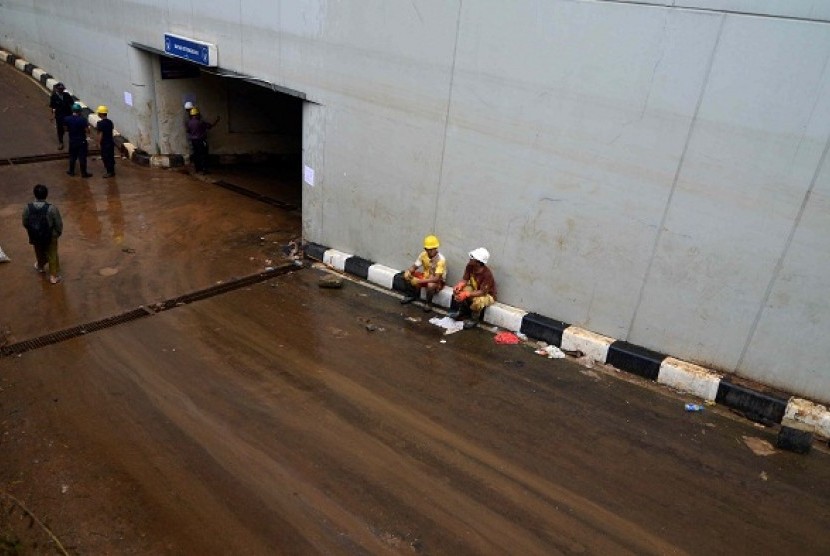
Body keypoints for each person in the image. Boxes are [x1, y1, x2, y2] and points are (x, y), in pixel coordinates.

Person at [22, 184, 63, 284]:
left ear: (34, 194)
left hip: (35, 235)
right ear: (46, 195)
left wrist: (32, 231)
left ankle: (40, 266)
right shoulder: (52, 208)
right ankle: (53, 276)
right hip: (50, 235)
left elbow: (25, 222)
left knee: (38, 250)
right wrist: (56, 234)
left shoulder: (28, 208)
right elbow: (58, 224)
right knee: (52, 254)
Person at [451, 247, 497, 329]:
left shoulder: (487, 274)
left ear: (478, 262)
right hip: (475, 289)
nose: (470, 259)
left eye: (473, 258)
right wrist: (460, 285)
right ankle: (462, 313)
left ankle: (474, 319)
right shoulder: (469, 266)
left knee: (478, 301)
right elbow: (465, 279)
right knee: (459, 292)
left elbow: (483, 292)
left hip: (487, 294)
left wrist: (466, 294)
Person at [400, 234, 446, 313]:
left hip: (437, 281)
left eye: (432, 249)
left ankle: (428, 303)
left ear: (436, 248)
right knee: (406, 275)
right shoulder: (423, 255)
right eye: (428, 249)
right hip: (425, 276)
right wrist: (408, 272)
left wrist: (418, 281)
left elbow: (437, 278)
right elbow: (414, 267)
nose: (430, 251)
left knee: (430, 285)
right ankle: (411, 295)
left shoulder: (441, 260)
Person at [186, 107, 220, 174]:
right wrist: (217, 121)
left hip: (193, 141)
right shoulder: (200, 122)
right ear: (197, 114)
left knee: (196, 154)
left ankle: (198, 169)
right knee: (204, 154)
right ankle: (204, 169)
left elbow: (188, 131)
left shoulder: (189, 123)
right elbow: (210, 126)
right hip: (201, 140)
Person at [64, 103, 92, 177]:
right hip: (81, 141)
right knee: (82, 157)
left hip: (72, 140)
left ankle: (71, 171)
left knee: (72, 157)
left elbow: (66, 129)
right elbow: (87, 131)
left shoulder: (67, 119)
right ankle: (84, 173)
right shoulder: (83, 120)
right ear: (79, 111)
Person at [49, 82, 74, 150]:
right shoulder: (54, 97)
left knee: (71, 128)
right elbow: (52, 107)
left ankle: (72, 142)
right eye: (60, 89)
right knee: (60, 129)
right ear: (57, 89)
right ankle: (61, 142)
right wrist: (52, 115)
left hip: (68, 114)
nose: (61, 90)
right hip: (59, 115)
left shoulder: (66, 95)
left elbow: (72, 104)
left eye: (62, 89)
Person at [96, 105, 116, 178]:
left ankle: (109, 172)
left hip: (104, 143)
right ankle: (112, 170)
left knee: (106, 157)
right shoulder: (110, 122)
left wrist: (98, 143)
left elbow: (100, 134)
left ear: (100, 114)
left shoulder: (100, 124)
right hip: (110, 141)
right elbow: (112, 128)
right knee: (111, 156)